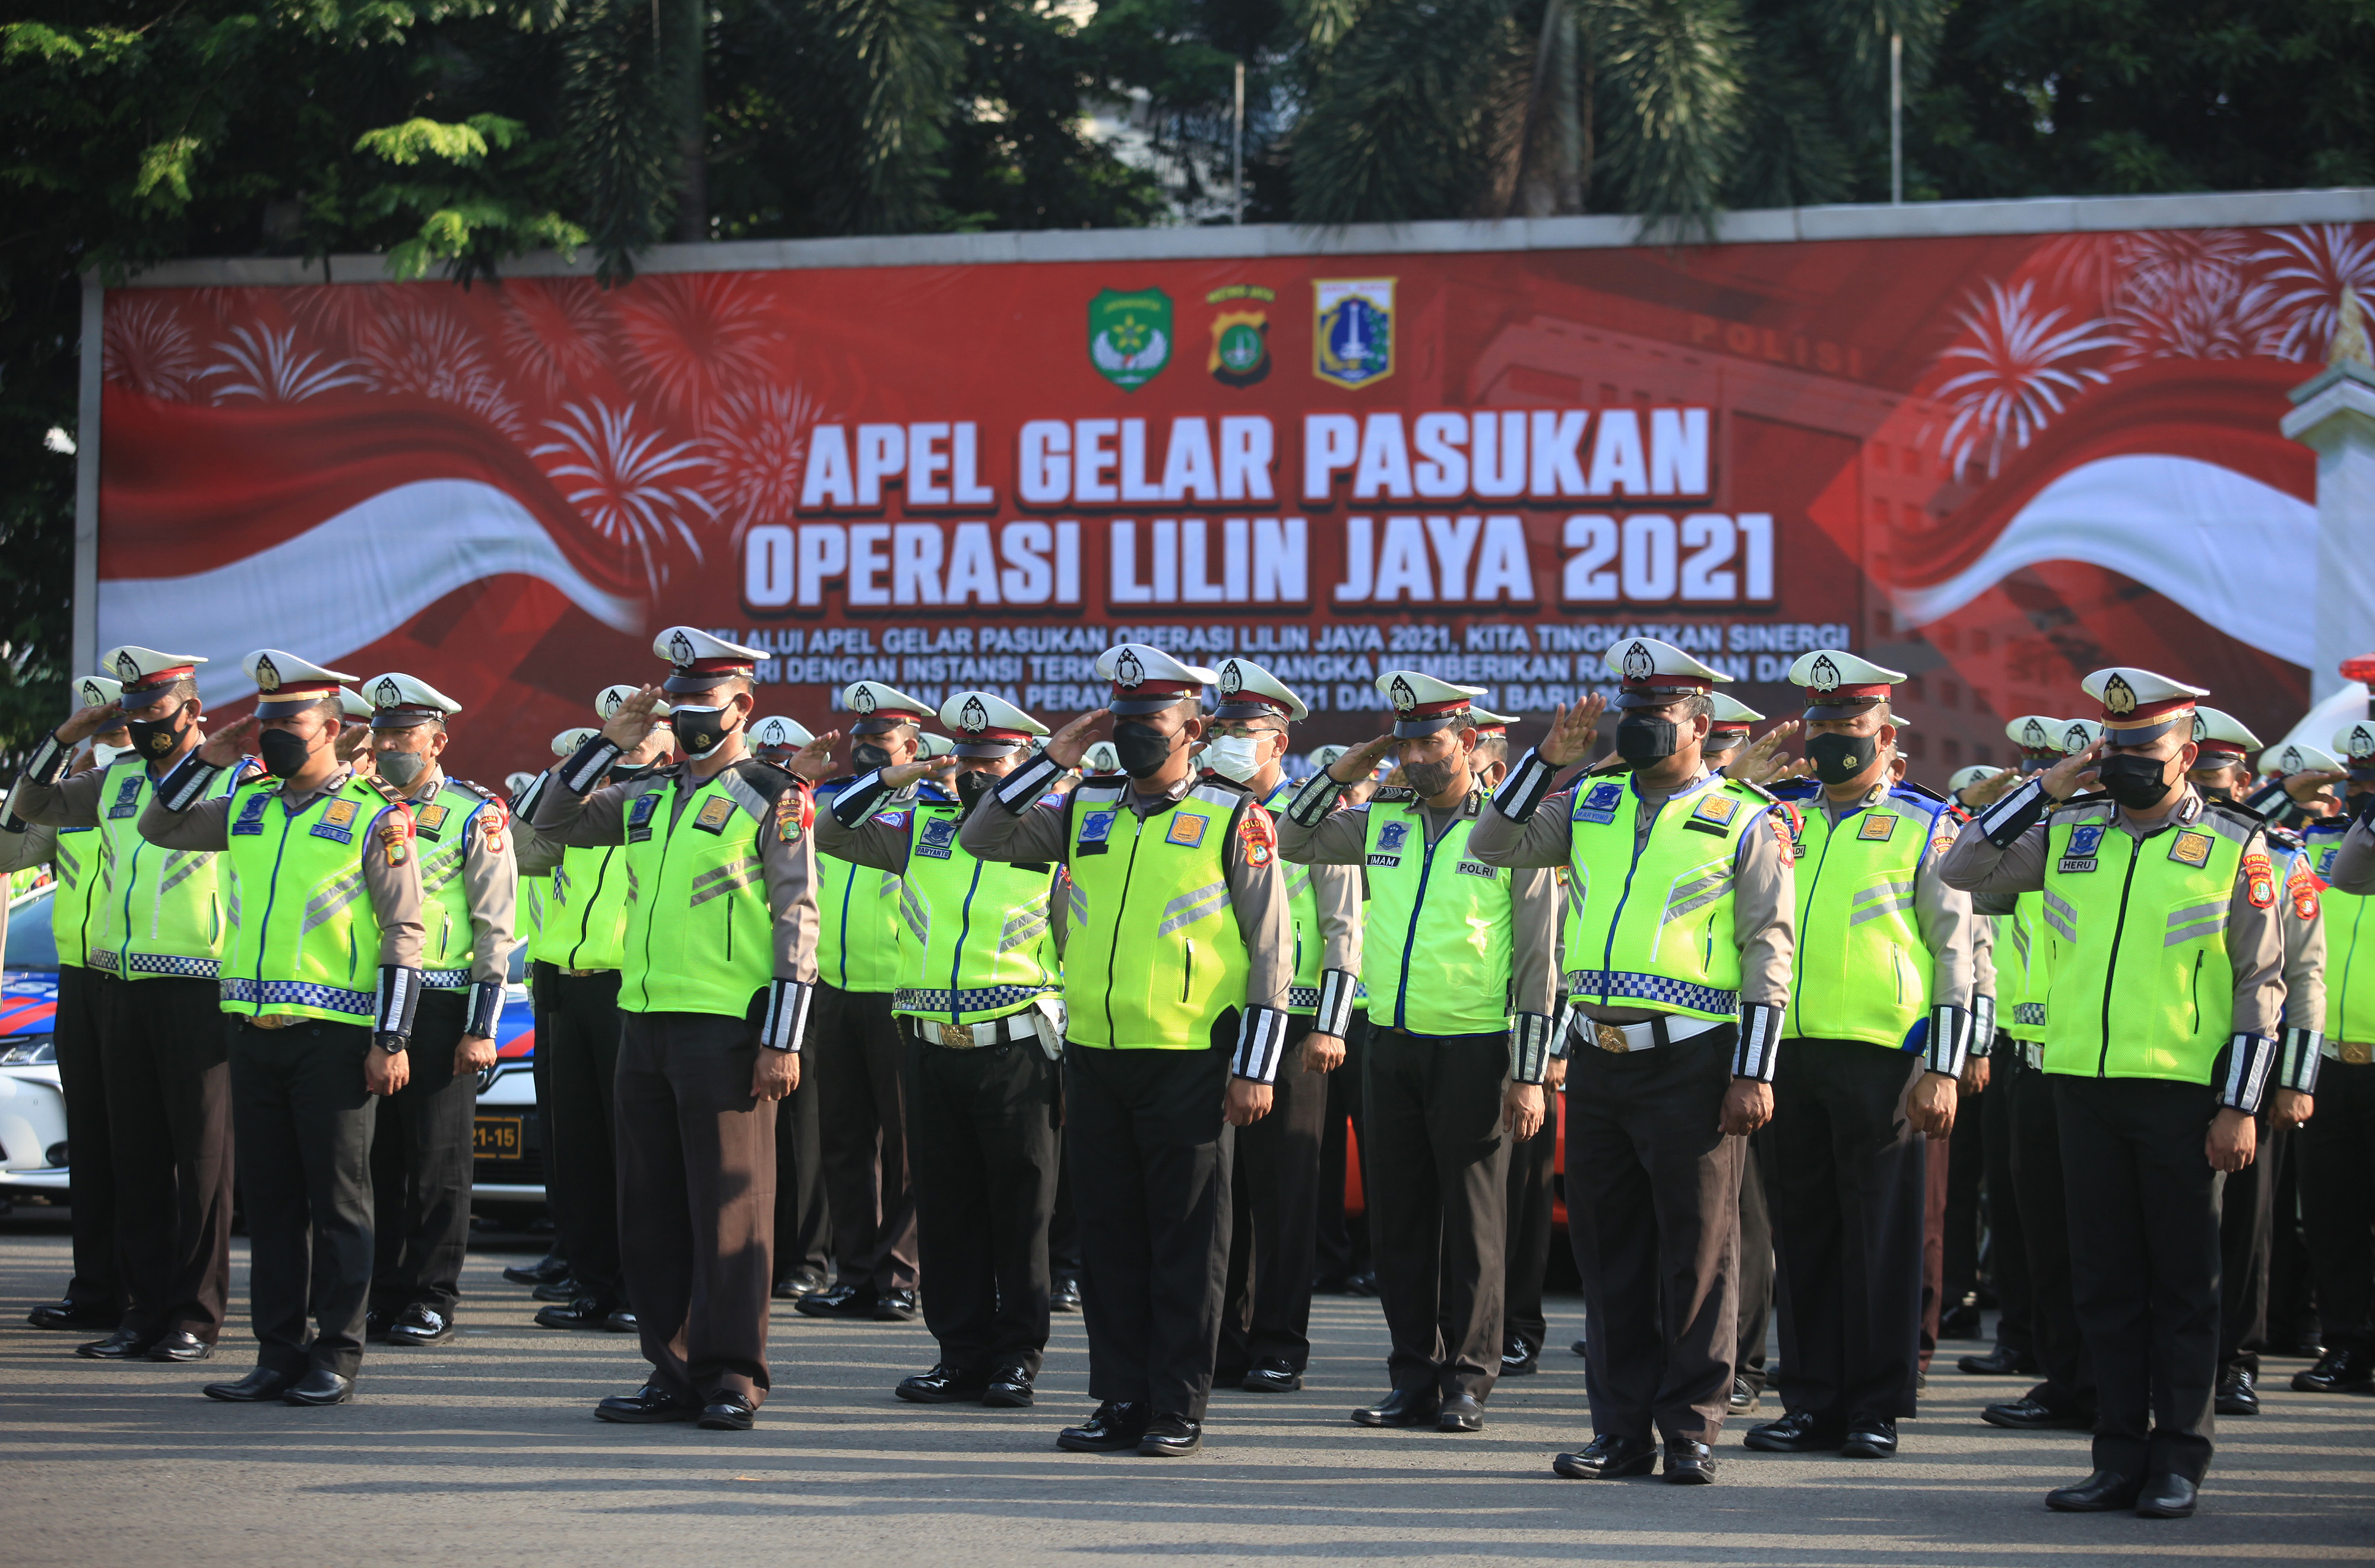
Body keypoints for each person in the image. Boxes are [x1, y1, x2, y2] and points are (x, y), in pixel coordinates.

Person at [1942, 666, 2284, 1519]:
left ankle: (2179, 1460)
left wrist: (2240, 1105)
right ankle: (2118, 1454)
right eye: (2116, 748)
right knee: (2104, 1282)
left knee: (2182, 1286)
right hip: (2081, 1089)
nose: (2129, 762)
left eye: (2147, 749)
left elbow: (2261, 986)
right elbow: (1961, 867)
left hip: (2182, 1097)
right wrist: (2045, 787)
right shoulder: (2070, 831)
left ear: (2187, 753)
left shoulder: (2237, 845)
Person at [1474, 638, 1793, 1486]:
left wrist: (1753, 1070)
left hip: (1694, 1059)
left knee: (1697, 1252)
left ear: (1701, 724)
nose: (1641, 727)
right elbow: (1496, 843)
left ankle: (1690, 1427)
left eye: (1658, 716)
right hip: (1600, 1058)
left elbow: (1770, 949)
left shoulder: (1747, 818)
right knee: (1610, 1255)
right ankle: (1619, 1432)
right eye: (1633, 713)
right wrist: (1546, 762)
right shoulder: (1592, 800)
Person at [961, 642, 1291, 1459]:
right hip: (1099, 1055)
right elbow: (981, 835)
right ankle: (1119, 1398)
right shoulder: (1088, 807)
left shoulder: (1231, 816)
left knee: (1184, 1241)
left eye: (1154, 721)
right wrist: (1051, 761)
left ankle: (1176, 1404)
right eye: (1127, 720)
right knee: (1110, 1239)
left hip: (1190, 1059)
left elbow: (1271, 948)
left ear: (1194, 728)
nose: (1138, 733)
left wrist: (1255, 1067)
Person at [531, 627, 819, 1431]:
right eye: (680, 704)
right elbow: (543, 826)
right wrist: (608, 742)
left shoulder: (774, 794)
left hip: (726, 1028)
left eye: (705, 705)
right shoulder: (646, 794)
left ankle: (731, 1373)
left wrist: (784, 1038)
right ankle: (672, 1367)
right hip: (644, 1020)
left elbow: (799, 919)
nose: (691, 718)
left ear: (742, 708)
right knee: (651, 1207)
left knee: (731, 1208)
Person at [137, 650, 427, 1406]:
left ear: (332, 728)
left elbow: (404, 931)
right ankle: (277, 1351)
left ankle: (336, 1351)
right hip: (252, 1033)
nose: (272, 736)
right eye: (264, 723)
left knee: (338, 1204)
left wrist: (390, 1039)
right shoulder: (249, 806)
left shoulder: (375, 815)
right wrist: (212, 754)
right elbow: (158, 822)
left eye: (288, 723)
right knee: (269, 1205)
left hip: (333, 1035)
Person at [1277, 673, 1555, 1437]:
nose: (1415, 755)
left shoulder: (1509, 825)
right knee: (1399, 1223)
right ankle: (1412, 1376)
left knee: (1472, 1224)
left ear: (1467, 743)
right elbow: (1293, 834)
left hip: (1475, 1046)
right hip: (1389, 1043)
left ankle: (1467, 1379)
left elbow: (1540, 958)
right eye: (1403, 740)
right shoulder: (1383, 816)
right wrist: (1351, 765)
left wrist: (1529, 1072)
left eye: (1429, 741)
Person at [807, 690, 1066, 1409]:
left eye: (994, 761)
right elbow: (828, 829)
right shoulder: (922, 823)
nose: (978, 774)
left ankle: (1016, 1355)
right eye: (969, 760)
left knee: (1019, 1210)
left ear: (1021, 763)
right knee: (948, 1209)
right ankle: (959, 1353)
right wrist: (895, 778)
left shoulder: (1051, 831)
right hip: (927, 1038)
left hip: (1015, 1042)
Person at [9, 651, 249, 1365]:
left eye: (159, 715)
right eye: (135, 715)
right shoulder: (113, 781)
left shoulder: (239, 782)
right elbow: (30, 810)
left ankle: (194, 1317)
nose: (147, 729)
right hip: (118, 985)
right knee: (134, 1156)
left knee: (199, 1162)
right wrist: (62, 737)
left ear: (193, 714)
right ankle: (141, 1311)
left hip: (199, 987)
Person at [1204, 658, 1360, 1396]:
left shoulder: (1311, 819)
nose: (1231, 741)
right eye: (1224, 727)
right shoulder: (1202, 813)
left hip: (1296, 1027)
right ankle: (1223, 1338)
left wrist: (1329, 1027)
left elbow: (1343, 929)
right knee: (1218, 1190)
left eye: (1247, 731)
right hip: (1216, 1022)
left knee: (1285, 1193)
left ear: (1280, 741)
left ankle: (1278, 1342)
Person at [353, 673, 514, 1347]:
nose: (390, 746)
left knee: (437, 1160)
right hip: (370, 1001)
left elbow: (494, 926)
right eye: (382, 733)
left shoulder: (473, 813)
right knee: (377, 1158)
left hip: (444, 1001)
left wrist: (482, 1027)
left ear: (437, 741)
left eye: (404, 735)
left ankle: (432, 1293)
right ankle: (383, 1290)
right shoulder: (356, 806)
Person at [514, 702, 677, 1333]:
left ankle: (641, 1291)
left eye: (643, 742)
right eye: (622, 743)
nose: (630, 755)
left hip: (624, 989)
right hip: (562, 988)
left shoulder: (668, 811)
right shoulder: (584, 814)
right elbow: (528, 829)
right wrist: (595, 758)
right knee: (576, 1149)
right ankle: (594, 1287)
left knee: (634, 1152)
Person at [2187, 711, 2323, 1417]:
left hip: (2253, 1064)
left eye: (2215, 782)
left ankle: (2233, 1361)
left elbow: (2302, 979)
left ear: (2244, 782)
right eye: (2195, 780)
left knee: (2242, 1224)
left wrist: (2295, 1081)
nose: (2203, 795)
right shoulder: (2152, 844)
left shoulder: (2279, 855)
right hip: (2172, 1061)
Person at [797, 681, 936, 1324]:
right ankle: (854, 1274)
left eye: (877, 745)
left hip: (899, 994)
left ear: (910, 747)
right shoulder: (833, 805)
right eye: (859, 743)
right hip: (834, 989)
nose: (863, 756)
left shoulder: (930, 810)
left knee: (906, 1147)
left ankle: (901, 1275)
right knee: (844, 1141)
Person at [6, 676, 132, 1335]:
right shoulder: (77, 800)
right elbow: (7, 845)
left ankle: (150, 1292)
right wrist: (62, 747)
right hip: (80, 983)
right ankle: (95, 1291)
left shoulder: (181, 796)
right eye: (102, 726)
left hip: (150, 981)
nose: (113, 738)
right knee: (92, 1141)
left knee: (145, 1145)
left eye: (123, 724)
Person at [2294, 719, 2375, 1395]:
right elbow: (2252, 811)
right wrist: (2309, 786)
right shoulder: (2315, 845)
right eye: (2357, 781)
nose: (2361, 794)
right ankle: (2347, 1343)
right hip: (2327, 1061)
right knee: (2332, 1215)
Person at [750, 715, 833, 1303]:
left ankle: (806, 1256)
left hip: (803, 983)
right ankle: (764, 1250)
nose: (780, 773)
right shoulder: (743, 812)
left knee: (804, 1133)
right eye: (770, 764)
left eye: (789, 763)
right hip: (745, 987)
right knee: (757, 1137)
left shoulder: (813, 811)